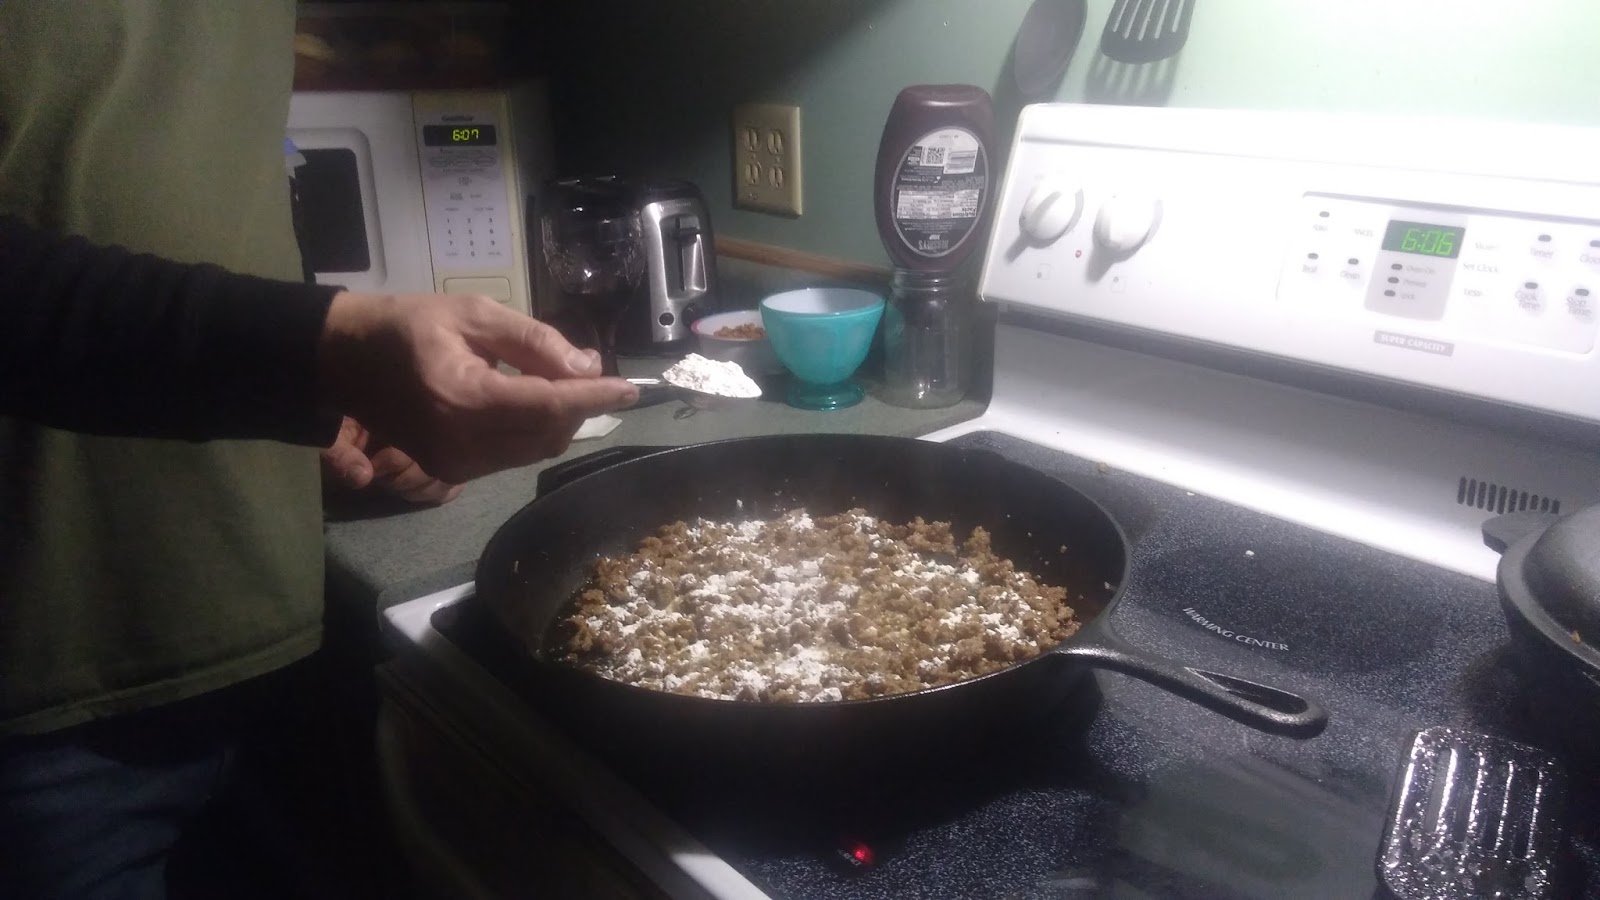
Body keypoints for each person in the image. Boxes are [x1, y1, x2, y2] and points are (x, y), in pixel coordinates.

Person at [0, 4, 636, 898]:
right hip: (46, 688)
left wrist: (326, 413)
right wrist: (324, 351)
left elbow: (208, 196)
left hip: (278, 617)